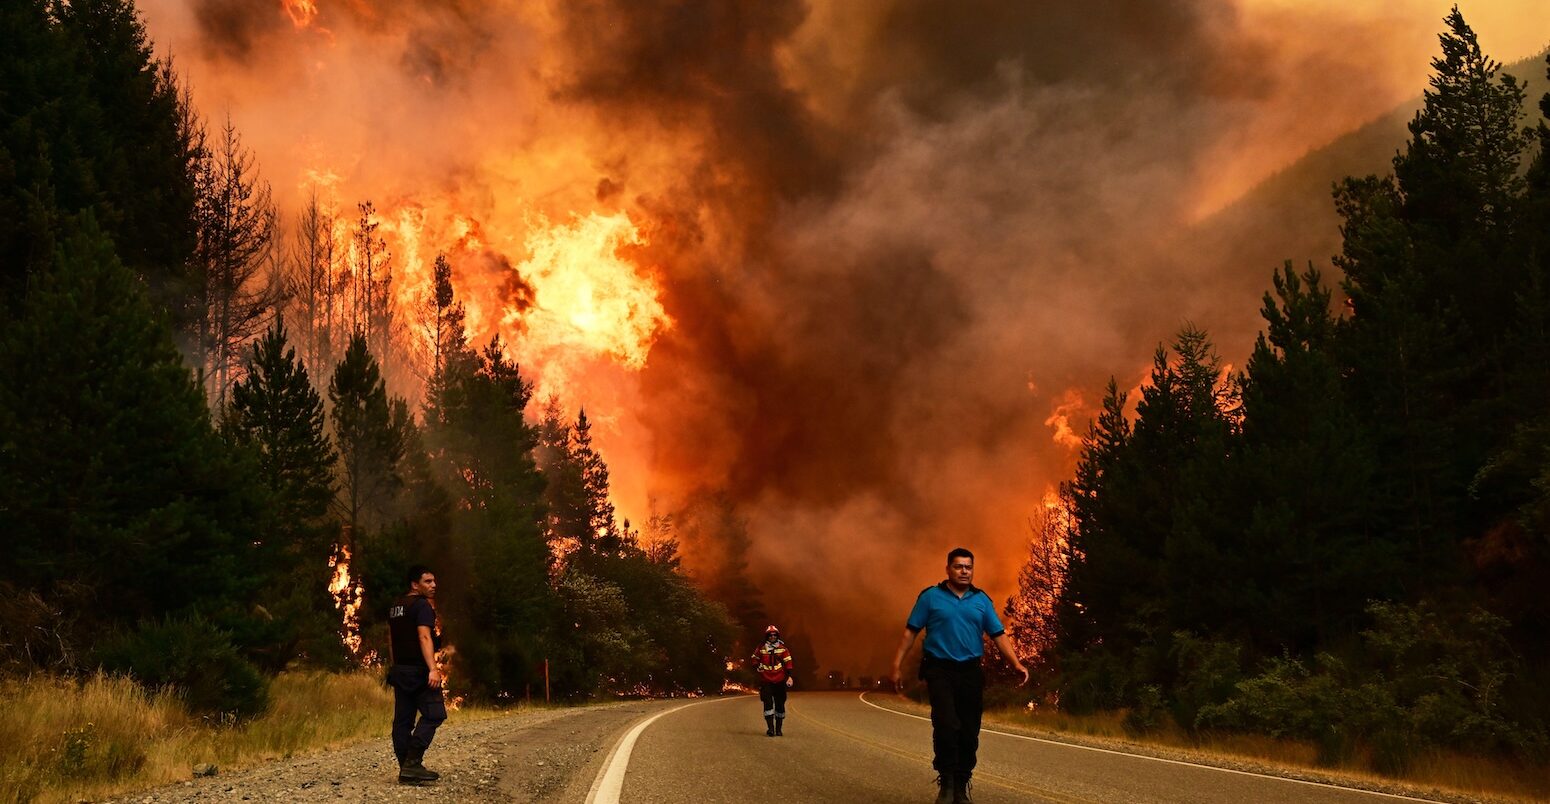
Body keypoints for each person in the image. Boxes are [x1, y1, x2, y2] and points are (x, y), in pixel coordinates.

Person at [892, 548, 1028, 804]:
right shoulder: (930, 597)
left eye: (968, 567)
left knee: (968, 730)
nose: (964, 571)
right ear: (948, 569)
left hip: (970, 671)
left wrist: (1016, 664)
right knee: (946, 725)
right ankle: (946, 780)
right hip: (939, 669)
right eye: (958, 566)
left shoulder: (981, 600)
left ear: (972, 570)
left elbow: (998, 635)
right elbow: (910, 633)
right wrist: (896, 665)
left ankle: (961, 784)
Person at [387, 564, 447, 784]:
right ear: (415, 584)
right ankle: (412, 763)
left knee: (403, 720)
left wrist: (395, 666)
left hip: (401, 670)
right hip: (419, 671)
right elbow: (424, 637)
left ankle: (406, 768)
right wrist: (432, 668)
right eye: (427, 582)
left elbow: (391, 640)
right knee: (435, 714)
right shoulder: (421, 606)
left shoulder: (396, 606)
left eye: (434, 581)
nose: (433, 585)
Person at [751, 624, 796, 736]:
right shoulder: (761, 648)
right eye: (770, 635)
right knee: (768, 704)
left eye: (774, 635)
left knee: (780, 704)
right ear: (767, 636)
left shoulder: (782, 648)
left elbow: (788, 662)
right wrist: (757, 666)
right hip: (766, 681)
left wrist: (789, 676)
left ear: (777, 636)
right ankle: (770, 729)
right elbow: (754, 658)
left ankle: (779, 729)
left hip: (779, 681)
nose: (772, 637)